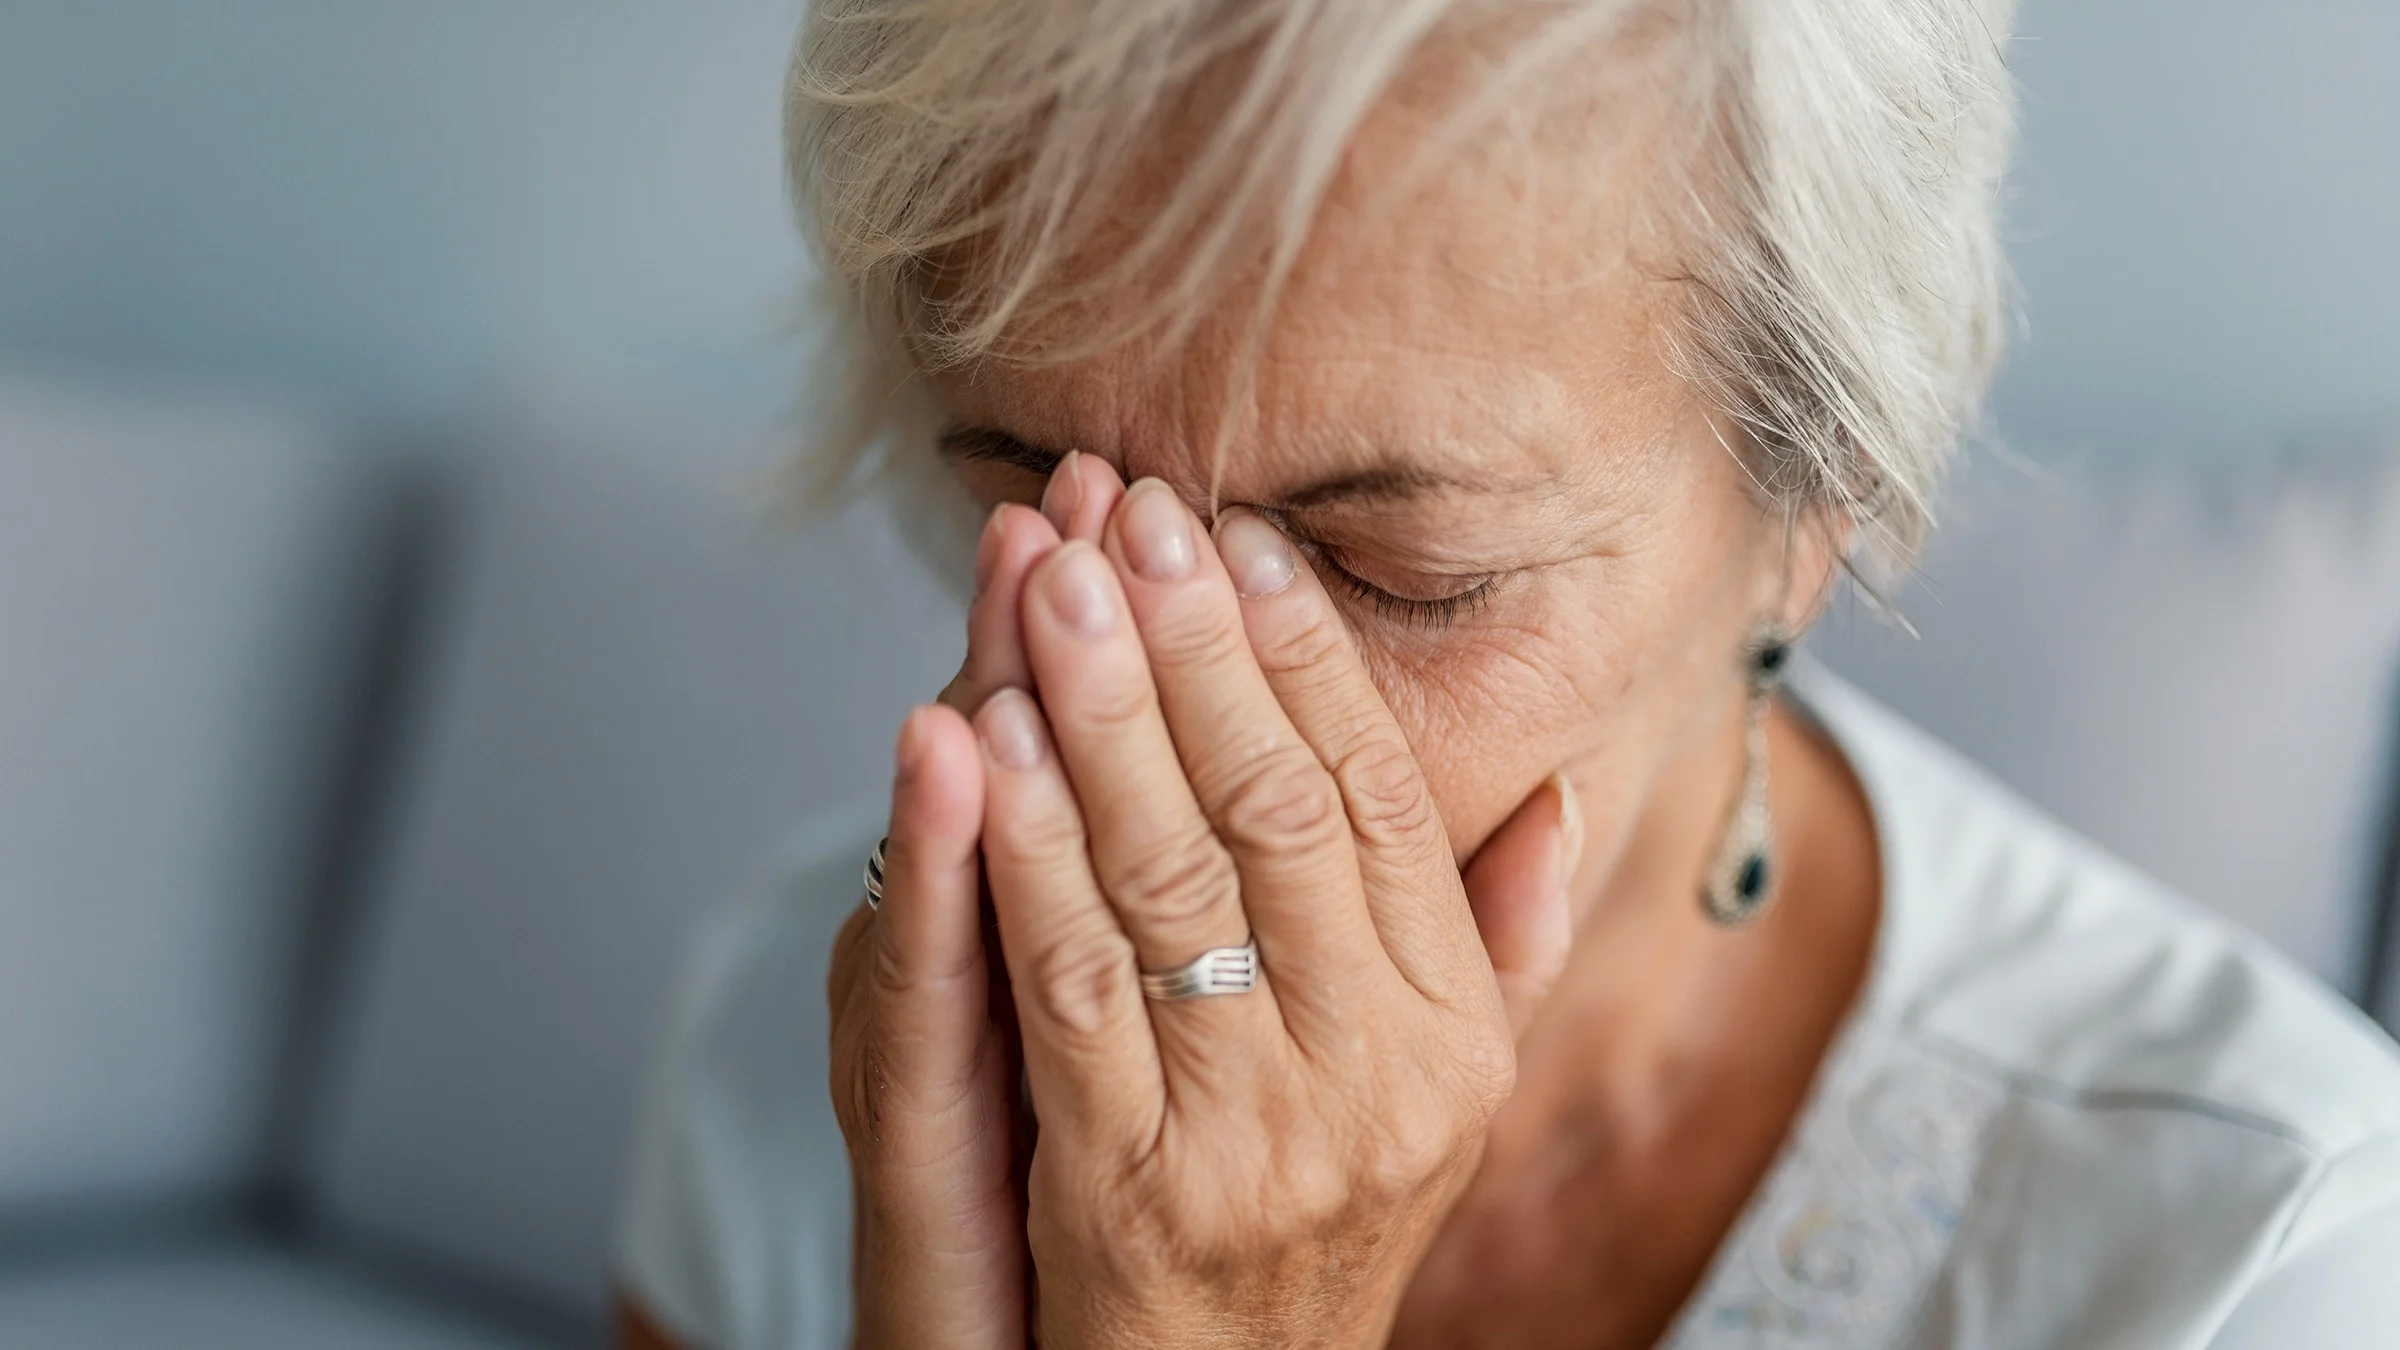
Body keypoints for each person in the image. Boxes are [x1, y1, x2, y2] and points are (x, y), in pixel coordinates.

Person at [613, 0, 2400, 1344]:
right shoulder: (809, 1055)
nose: (1168, 712)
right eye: (1044, 524)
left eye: (1399, 578)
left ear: (1812, 506)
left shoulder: (2267, 1247)